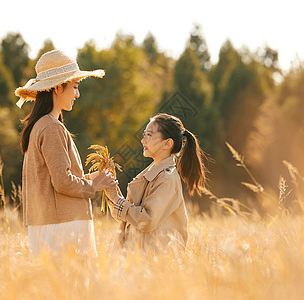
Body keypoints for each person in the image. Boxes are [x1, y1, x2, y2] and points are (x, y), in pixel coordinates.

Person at [16, 50, 117, 257]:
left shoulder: (41, 126)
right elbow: (62, 182)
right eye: (74, 87)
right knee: (74, 286)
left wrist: (94, 178)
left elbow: (57, 179)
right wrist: (94, 185)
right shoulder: (51, 127)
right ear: (57, 88)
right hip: (62, 225)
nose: (77, 94)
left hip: (52, 222)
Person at [105, 113, 207, 253]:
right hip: (138, 258)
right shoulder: (151, 174)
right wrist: (114, 197)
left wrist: (118, 200)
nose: (142, 140)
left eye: (149, 135)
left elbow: (147, 220)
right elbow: (133, 218)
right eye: (144, 134)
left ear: (168, 143)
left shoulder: (167, 178)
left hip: (157, 259)